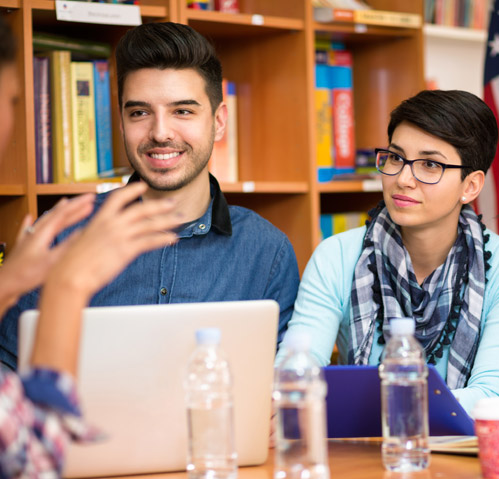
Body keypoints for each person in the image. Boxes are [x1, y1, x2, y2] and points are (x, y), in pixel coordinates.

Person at [0, 22, 300, 370]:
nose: (160, 132)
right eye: (140, 113)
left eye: (182, 111)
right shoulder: (61, 236)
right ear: (121, 122)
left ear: (219, 122)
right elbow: (8, 371)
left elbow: (282, 384)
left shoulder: (268, 252)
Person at [0, 17, 181, 479]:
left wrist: (6, 285)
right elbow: (30, 467)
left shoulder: (265, 247)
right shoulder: (66, 239)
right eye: (12, 100)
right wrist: (67, 285)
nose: (11, 122)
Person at [276, 90, 499, 414]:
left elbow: (493, 396)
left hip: (462, 452)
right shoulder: (336, 255)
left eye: (429, 165)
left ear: (470, 186)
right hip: (361, 449)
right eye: (396, 158)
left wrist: (384, 404)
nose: (403, 179)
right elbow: (294, 376)